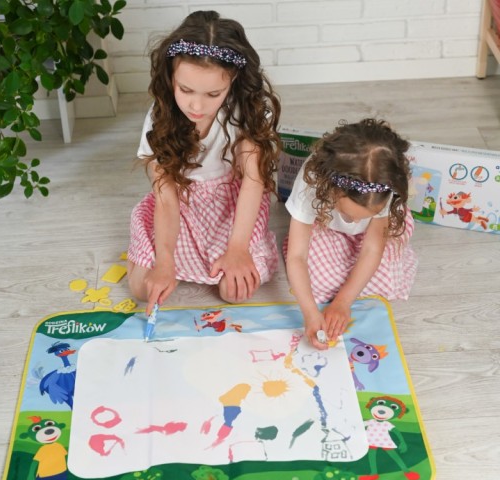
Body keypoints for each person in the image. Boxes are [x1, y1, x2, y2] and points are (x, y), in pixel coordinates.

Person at [127, 10, 281, 314]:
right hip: (179, 202)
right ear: (171, 76)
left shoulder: (246, 112)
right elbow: (166, 198)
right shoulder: (159, 118)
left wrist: (237, 248)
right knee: (142, 288)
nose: (196, 105)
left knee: (234, 291)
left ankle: (244, 249)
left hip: (232, 203)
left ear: (233, 79)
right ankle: (153, 254)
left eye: (213, 93)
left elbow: (253, 183)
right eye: (185, 90)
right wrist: (165, 261)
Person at [284, 118, 418, 349]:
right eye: (349, 214)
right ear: (330, 188)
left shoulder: (383, 183)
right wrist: (310, 312)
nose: (356, 222)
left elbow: (372, 249)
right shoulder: (313, 179)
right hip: (327, 226)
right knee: (315, 281)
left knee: (387, 275)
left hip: (376, 235)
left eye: (365, 216)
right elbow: (297, 256)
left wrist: (343, 302)